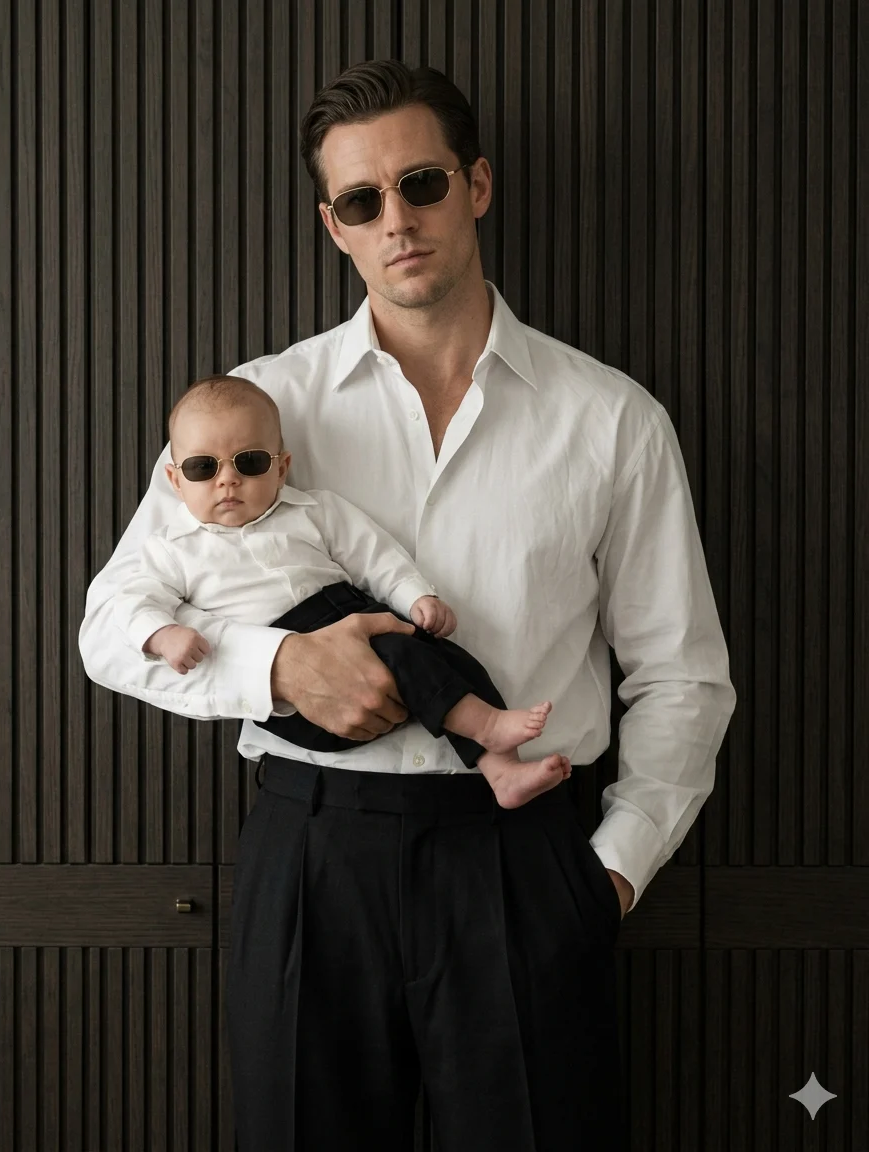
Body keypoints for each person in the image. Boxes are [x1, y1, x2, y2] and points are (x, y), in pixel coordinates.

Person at [79, 60, 736, 1151]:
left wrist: (611, 875)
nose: (397, 220)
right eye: (361, 200)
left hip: (521, 863)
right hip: (312, 854)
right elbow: (110, 627)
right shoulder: (248, 414)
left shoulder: (613, 421)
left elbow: (681, 676)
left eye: (421, 183)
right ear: (333, 226)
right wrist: (276, 670)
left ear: (475, 185)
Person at [114, 372, 572, 807]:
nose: (227, 479)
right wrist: (162, 634)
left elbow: (375, 556)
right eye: (202, 467)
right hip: (295, 701)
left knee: (445, 656)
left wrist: (416, 596)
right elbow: (131, 601)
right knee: (409, 657)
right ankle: (488, 726)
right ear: (175, 480)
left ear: (281, 468)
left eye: (250, 462)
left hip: (350, 613)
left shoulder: (314, 512)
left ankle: (501, 770)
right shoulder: (170, 549)